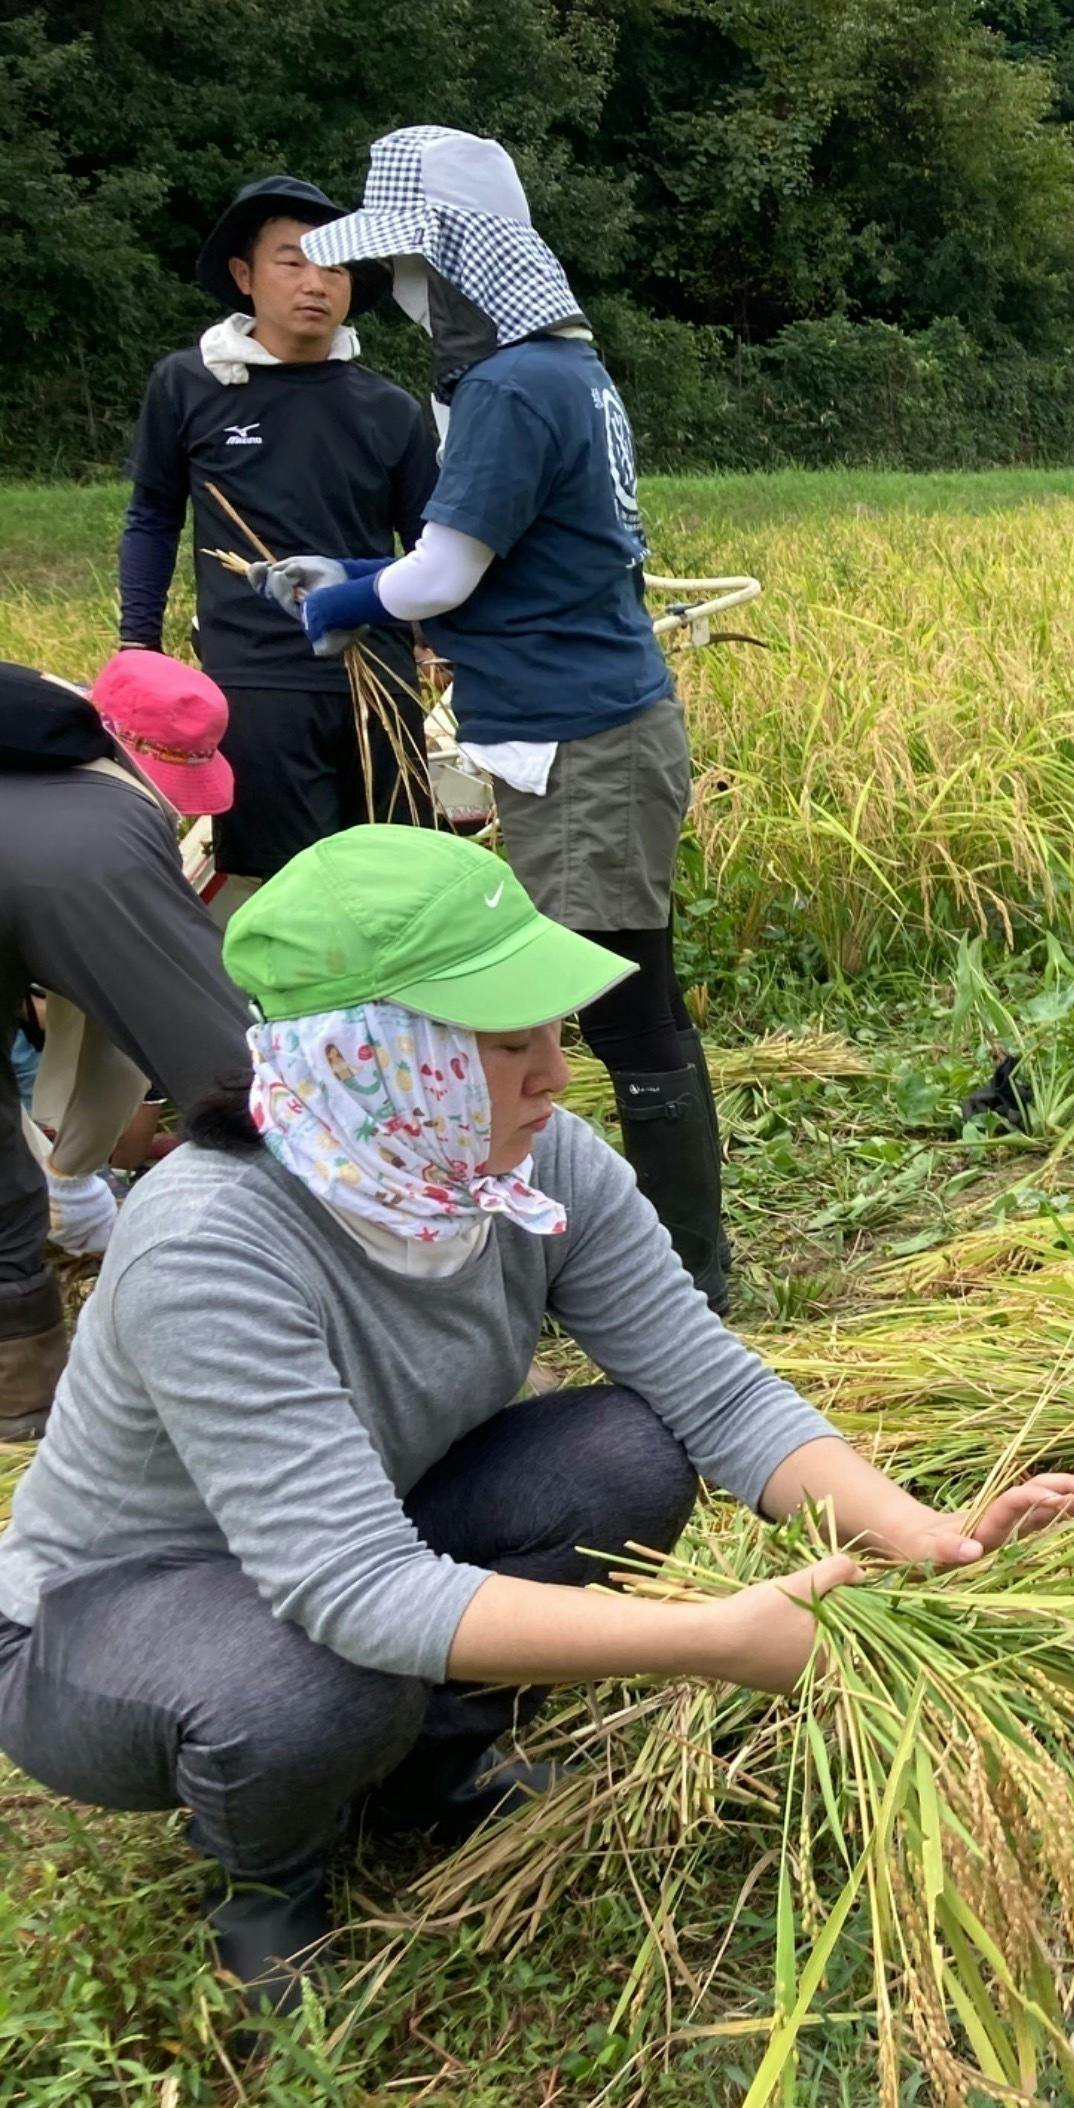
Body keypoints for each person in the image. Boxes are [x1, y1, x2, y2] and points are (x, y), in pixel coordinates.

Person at [0, 826, 1074, 2009]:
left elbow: (712, 1387)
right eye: (505, 1043)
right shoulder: (210, 1242)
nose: (555, 1076)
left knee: (626, 1453)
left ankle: (424, 1772)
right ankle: (269, 1880)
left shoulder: (531, 1168)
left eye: (552, 1032)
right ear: (371, 1057)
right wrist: (709, 1640)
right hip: (110, 1617)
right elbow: (351, 1588)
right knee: (324, 1682)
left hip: (358, 1532)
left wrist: (925, 1535)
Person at [263, 128, 732, 1310]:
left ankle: (684, 1278)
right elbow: (489, 557)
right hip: (579, 724)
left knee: (620, 1004)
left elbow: (443, 576)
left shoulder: (516, 385)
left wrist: (343, 601)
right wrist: (358, 571)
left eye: (407, 264)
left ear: (459, 258)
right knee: (617, 992)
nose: (397, 289)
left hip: (585, 738)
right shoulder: (562, 369)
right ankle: (659, 1261)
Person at [119, 175, 437, 905]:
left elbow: (428, 545)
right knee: (290, 892)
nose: (315, 283)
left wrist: (438, 647)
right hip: (257, 681)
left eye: (335, 266)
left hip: (379, 680)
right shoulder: (190, 385)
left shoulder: (389, 409)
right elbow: (153, 516)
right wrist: (138, 643)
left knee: (398, 883)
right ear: (244, 275)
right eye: (292, 262)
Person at [0, 658, 257, 1436]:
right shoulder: (97, 832)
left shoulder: (38, 733)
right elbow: (228, 1061)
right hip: (78, 865)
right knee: (253, 1087)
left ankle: (21, 1399)